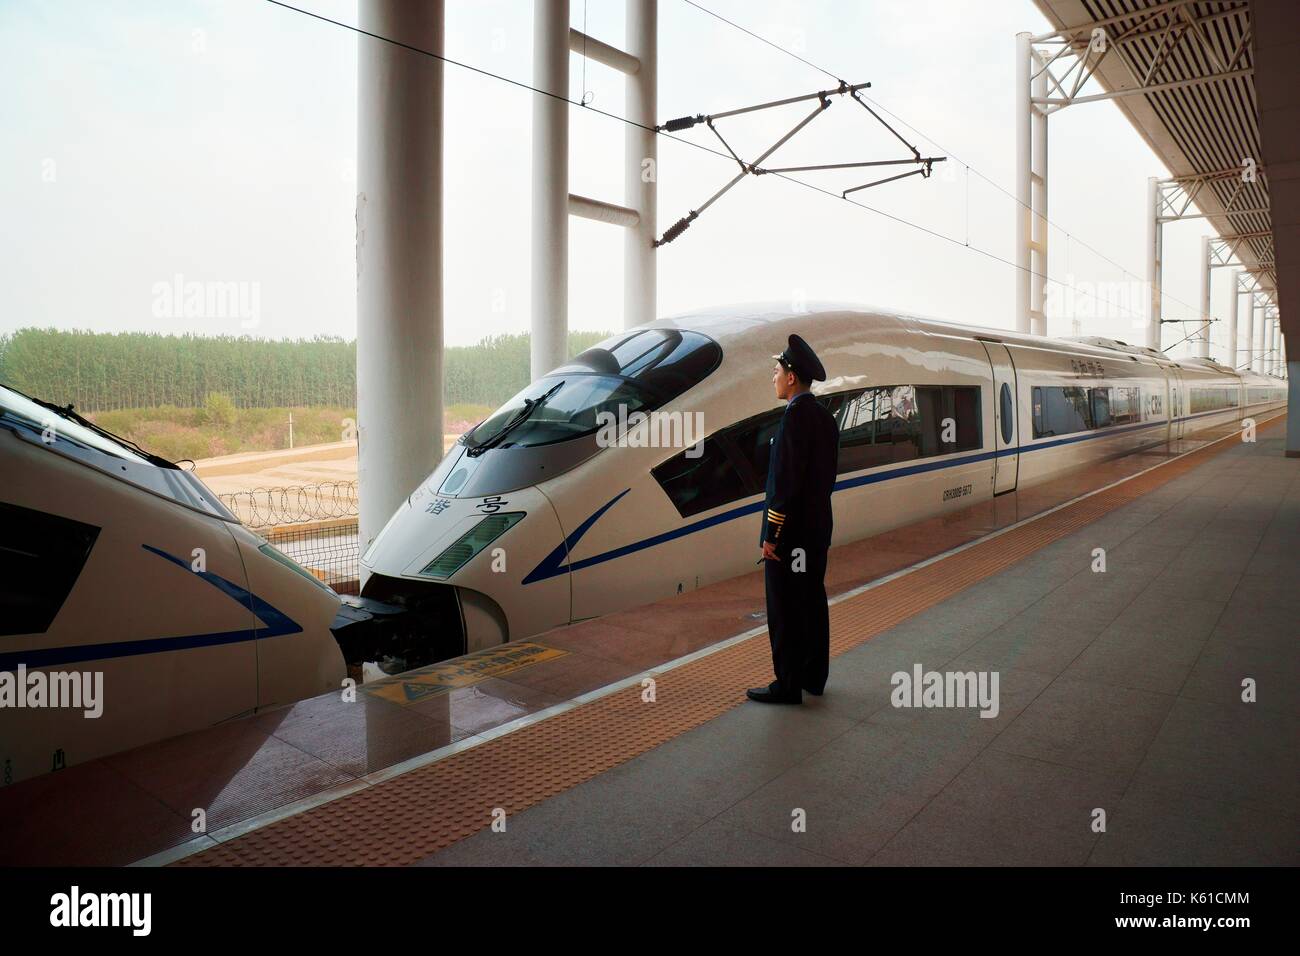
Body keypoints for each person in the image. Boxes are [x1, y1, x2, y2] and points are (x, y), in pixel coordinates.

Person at [747, 334, 839, 705]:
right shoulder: (825, 419)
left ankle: (787, 684)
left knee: (784, 608)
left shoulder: (791, 423)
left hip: (790, 540)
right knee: (812, 602)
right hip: (816, 532)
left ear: (790, 378)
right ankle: (813, 677)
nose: (773, 377)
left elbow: (782, 488)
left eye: (776, 371)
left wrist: (772, 535)